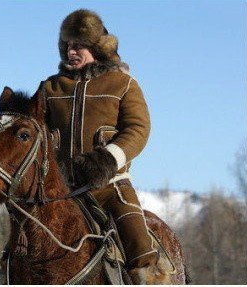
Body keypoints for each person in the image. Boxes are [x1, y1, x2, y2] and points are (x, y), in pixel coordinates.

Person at [34, 9, 167, 284]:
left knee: (140, 251)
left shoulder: (123, 83)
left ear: (96, 47)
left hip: (110, 185)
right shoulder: (50, 87)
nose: (71, 51)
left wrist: (108, 159)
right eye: (67, 45)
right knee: (22, 240)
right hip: (60, 189)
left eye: (78, 45)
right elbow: (33, 130)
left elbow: (138, 129)